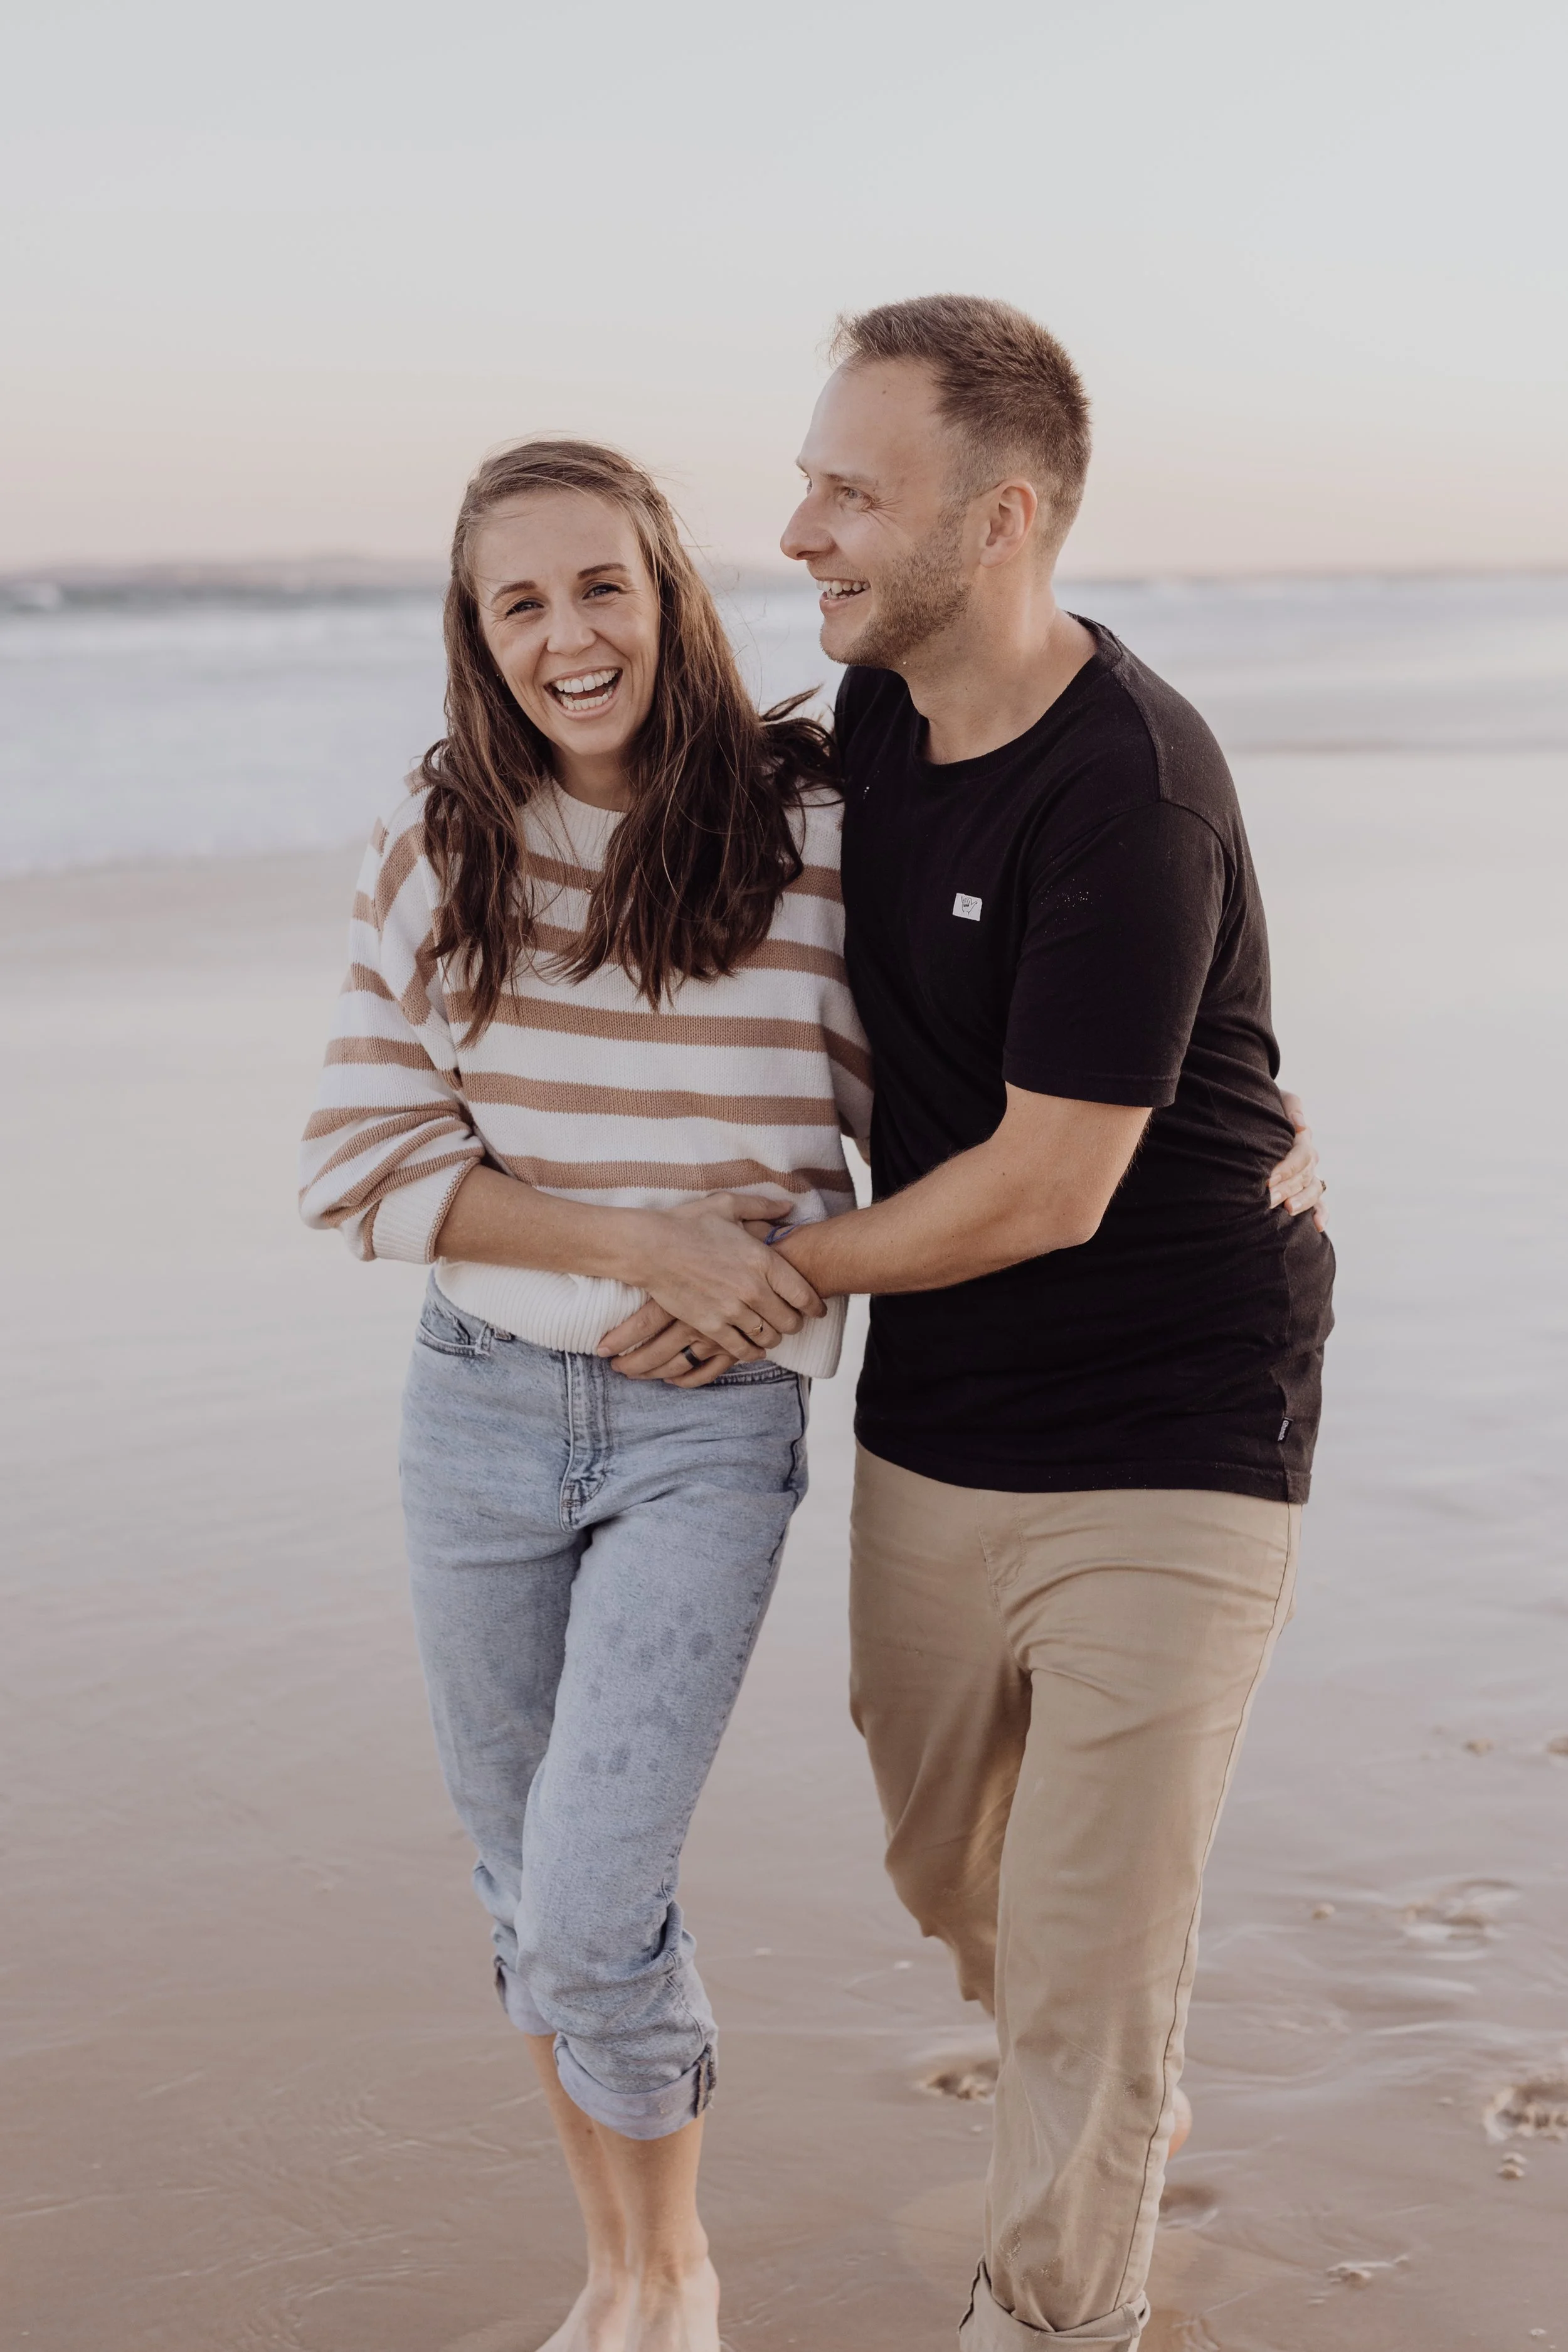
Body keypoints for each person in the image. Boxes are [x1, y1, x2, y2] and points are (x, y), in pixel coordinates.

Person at [599, 295, 1334, 2351]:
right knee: (954, 1869)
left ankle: (1052, 2299)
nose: (798, 527)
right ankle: (1094, 2074)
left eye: (850, 487)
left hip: (1178, 1422)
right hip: (946, 1419)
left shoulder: (1133, 787)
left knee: (1089, 1936)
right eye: (809, 477)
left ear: (997, 520)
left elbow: (1049, 1183)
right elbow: (607, 801)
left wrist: (764, 1272)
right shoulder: (860, 743)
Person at [299, 437, 869, 2352]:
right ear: (477, 632)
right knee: (521, 1883)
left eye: (599, 586)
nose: (567, 636)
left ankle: (679, 2268)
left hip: (708, 1430)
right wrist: (647, 1243)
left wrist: (1237, 1098)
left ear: (668, 593)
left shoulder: (813, 828)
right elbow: (358, 1162)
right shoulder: (439, 836)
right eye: (518, 601)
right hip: (474, 1406)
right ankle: (619, 2270)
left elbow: (967, 1091)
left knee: (590, 1884)